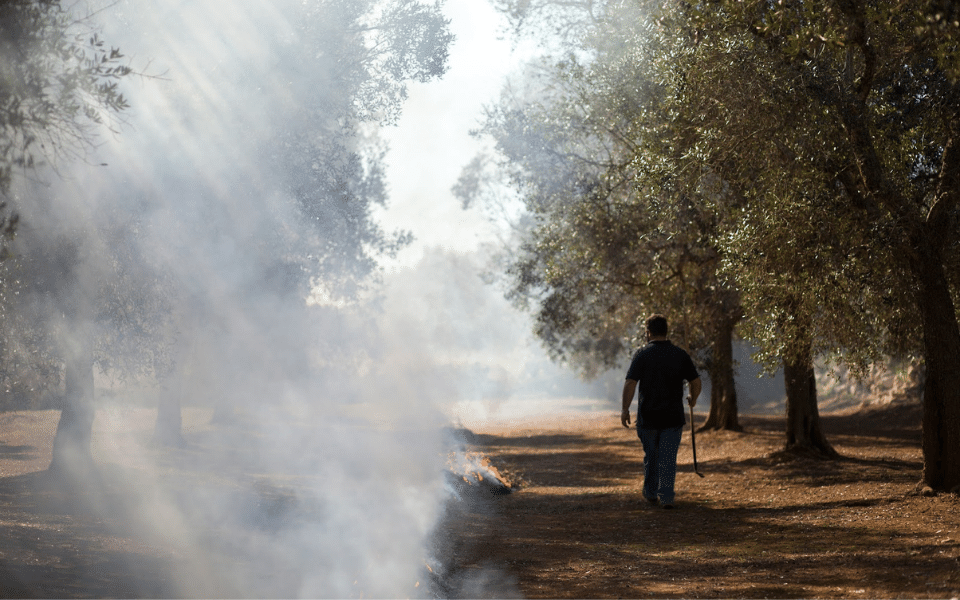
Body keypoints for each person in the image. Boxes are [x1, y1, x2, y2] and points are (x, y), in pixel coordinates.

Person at [621, 314, 701, 509]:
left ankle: (650, 492)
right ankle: (666, 496)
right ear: (666, 331)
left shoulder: (642, 354)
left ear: (648, 333)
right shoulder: (680, 354)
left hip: (648, 416)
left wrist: (625, 409)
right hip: (672, 417)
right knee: (668, 457)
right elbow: (696, 382)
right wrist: (693, 398)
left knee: (651, 455)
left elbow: (631, 383)